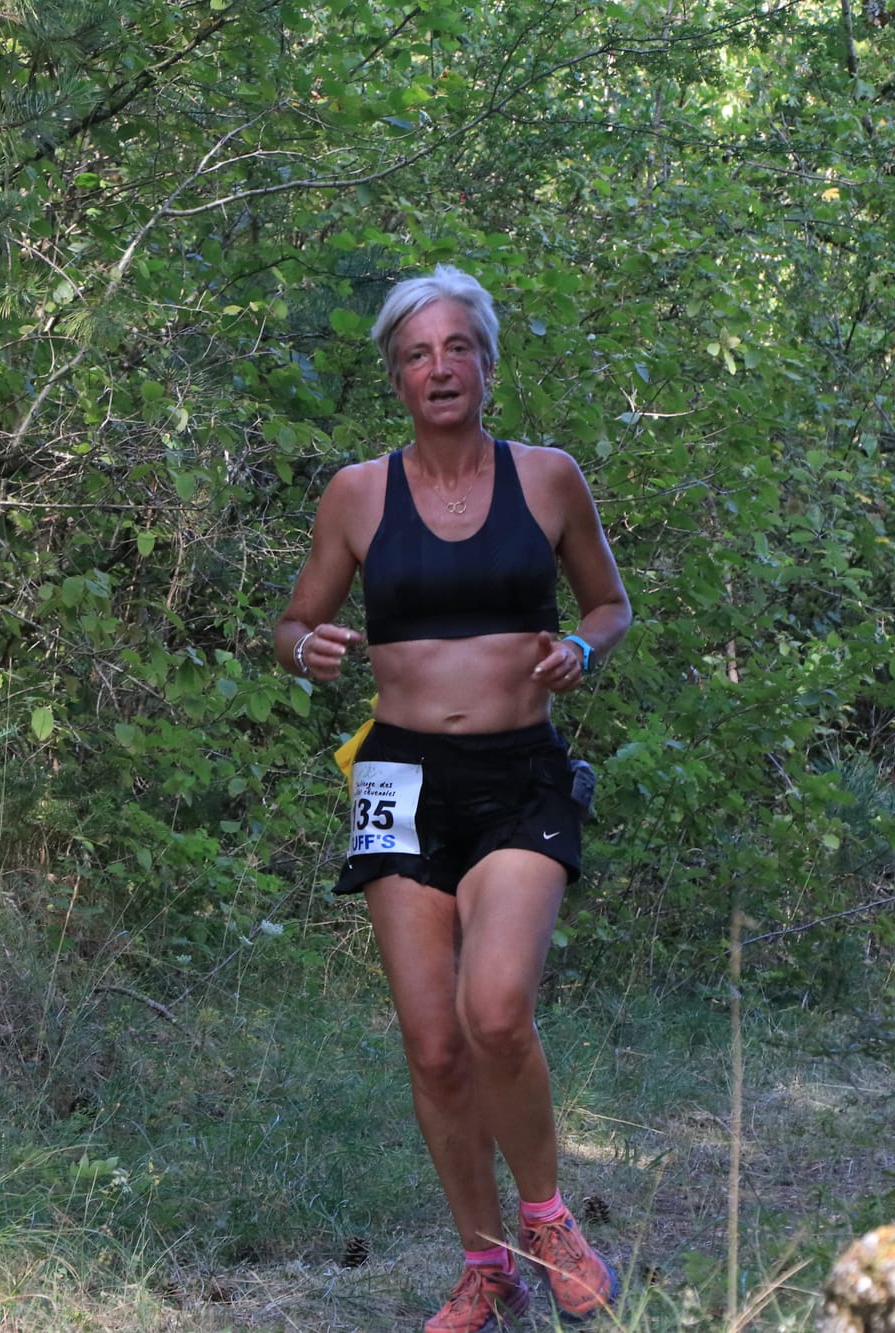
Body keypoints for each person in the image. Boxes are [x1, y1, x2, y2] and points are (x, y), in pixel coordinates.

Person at [275, 265, 631, 1333]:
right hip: (396, 781)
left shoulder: (548, 478)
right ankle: (486, 1264)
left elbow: (608, 603)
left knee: (494, 1012)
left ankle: (548, 1217)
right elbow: (292, 626)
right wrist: (311, 648)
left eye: (456, 347)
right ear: (394, 375)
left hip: (519, 774)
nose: (439, 368)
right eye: (416, 354)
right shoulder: (356, 494)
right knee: (432, 1043)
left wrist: (577, 644)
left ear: (485, 359)